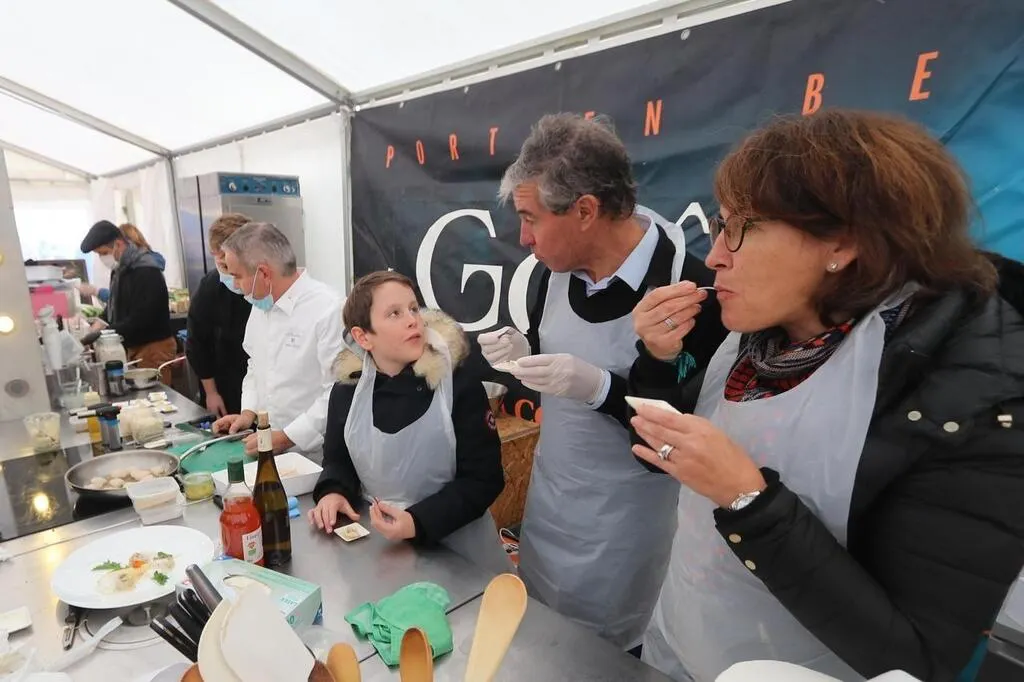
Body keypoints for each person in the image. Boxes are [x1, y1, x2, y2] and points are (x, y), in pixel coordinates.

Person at [627, 110, 1024, 682]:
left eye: (744, 228)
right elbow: (681, 460)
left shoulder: (965, 393)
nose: (715, 255)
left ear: (842, 241)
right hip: (681, 650)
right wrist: (659, 364)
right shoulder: (758, 338)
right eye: (719, 224)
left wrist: (748, 500)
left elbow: (918, 657)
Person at [477, 113, 728, 650]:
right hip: (551, 509)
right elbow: (557, 379)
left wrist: (600, 388)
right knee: (542, 642)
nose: (523, 239)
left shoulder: (692, 291)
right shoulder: (550, 274)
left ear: (586, 211)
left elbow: (676, 438)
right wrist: (527, 356)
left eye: (531, 219)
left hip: (631, 532)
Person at [308, 271, 509, 573]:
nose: (413, 320)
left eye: (414, 308)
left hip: (458, 553)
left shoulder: (458, 385)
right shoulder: (348, 391)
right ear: (363, 337)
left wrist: (417, 521)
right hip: (384, 551)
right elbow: (338, 459)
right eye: (394, 314)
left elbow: (483, 480)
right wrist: (333, 491)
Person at [212, 222, 344, 462]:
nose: (236, 287)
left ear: (263, 273)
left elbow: (337, 392)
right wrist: (248, 412)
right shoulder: (262, 303)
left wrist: (286, 436)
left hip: (317, 454)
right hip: (270, 447)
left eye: (237, 277)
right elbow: (256, 364)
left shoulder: (328, 308)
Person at [79, 220, 176, 382]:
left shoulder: (146, 270)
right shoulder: (120, 270)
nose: (103, 258)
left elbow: (143, 318)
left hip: (153, 347)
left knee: (157, 398)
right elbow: (114, 304)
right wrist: (98, 324)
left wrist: (106, 332)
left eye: (103, 253)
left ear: (118, 244)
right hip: (134, 345)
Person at [185, 213, 253, 416]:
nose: (233, 277)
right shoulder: (210, 288)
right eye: (222, 265)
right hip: (226, 383)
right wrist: (211, 393)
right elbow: (197, 344)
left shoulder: (264, 287)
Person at [78, 223, 166, 303]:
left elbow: (128, 303)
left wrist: (97, 291)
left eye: (104, 253)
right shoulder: (122, 269)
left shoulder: (146, 270)